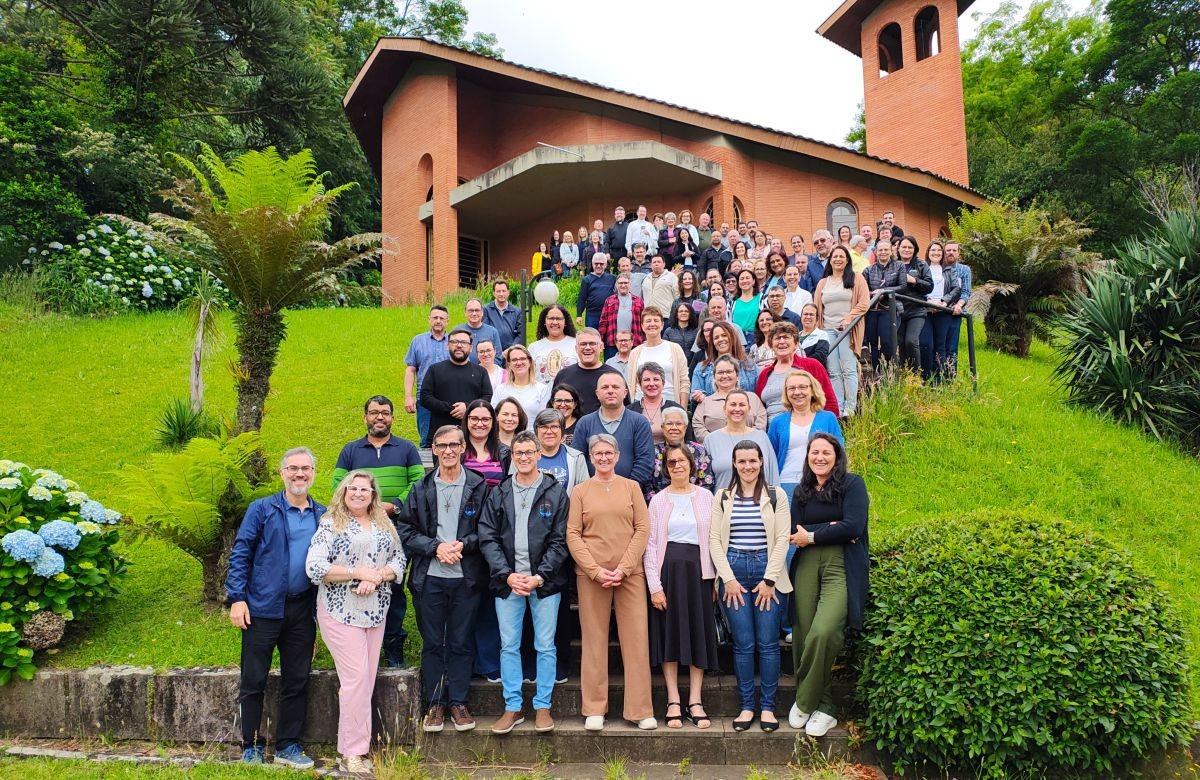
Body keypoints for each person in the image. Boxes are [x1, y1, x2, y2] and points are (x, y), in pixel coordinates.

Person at [226, 447, 323, 768]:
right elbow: (241, 553)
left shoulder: (322, 516)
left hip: (302, 610)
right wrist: (237, 597)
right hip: (261, 609)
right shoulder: (262, 509)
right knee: (253, 679)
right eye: (293, 468)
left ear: (313, 473)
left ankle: (288, 745)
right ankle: (250, 746)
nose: (299, 474)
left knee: (297, 679)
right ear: (282, 473)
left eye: (305, 469)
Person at [306, 470, 405, 774]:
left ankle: (356, 748)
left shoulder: (383, 523)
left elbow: (398, 560)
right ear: (344, 491)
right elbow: (315, 567)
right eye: (354, 488)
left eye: (366, 489)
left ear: (374, 494)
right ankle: (352, 752)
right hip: (340, 611)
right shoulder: (330, 523)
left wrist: (376, 577)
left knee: (367, 678)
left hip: (375, 610)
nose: (359, 493)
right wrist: (358, 572)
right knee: (356, 679)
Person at [397, 425, 490, 734]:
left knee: (462, 641)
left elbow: (489, 529)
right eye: (442, 445)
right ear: (434, 450)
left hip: (466, 578)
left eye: (454, 445)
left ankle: (459, 702)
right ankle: (436, 702)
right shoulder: (420, 489)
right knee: (433, 642)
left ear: (464, 448)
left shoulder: (478, 486)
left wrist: (464, 545)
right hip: (430, 579)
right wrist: (436, 548)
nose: (448, 451)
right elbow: (406, 530)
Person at [478, 431, 570, 735]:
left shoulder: (555, 492)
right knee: (509, 646)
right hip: (508, 583)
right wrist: (507, 574)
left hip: (544, 582)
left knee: (545, 646)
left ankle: (542, 706)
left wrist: (539, 575)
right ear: (512, 457)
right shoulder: (500, 492)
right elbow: (487, 536)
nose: (525, 458)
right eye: (519, 453)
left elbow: (560, 540)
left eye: (530, 452)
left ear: (539, 455)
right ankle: (513, 706)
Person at [566, 433, 656, 731]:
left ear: (617, 456)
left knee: (636, 639)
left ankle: (640, 709)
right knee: (593, 639)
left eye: (608, 453)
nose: (603, 458)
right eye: (598, 454)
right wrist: (594, 569)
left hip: (629, 575)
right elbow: (573, 534)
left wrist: (625, 566)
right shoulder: (580, 491)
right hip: (592, 576)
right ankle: (594, 707)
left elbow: (642, 529)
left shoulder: (632, 488)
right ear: (590, 458)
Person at [787, 434, 870, 738]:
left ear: (837, 456)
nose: (820, 457)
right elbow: (792, 530)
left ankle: (805, 699)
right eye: (814, 452)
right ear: (807, 456)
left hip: (841, 563)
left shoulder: (852, 484)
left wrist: (812, 535)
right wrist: (833, 528)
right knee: (803, 633)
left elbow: (854, 526)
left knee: (825, 631)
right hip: (807, 563)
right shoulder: (801, 491)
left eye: (826, 452)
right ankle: (824, 707)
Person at [331, 397, 423, 669]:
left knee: (391, 584)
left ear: (393, 418)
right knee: (360, 583)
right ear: (365, 417)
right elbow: (339, 486)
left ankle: (394, 648)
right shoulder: (350, 451)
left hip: (395, 527)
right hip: (357, 530)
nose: (379, 417)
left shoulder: (406, 449)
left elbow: (418, 482)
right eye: (374, 413)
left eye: (385, 413)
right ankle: (359, 643)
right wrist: (366, 507)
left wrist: (394, 505)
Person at [709, 440, 791, 732]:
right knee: (743, 644)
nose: (747, 466)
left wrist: (770, 580)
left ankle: (767, 708)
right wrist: (728, 578)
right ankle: (746, 706)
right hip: (734, 572)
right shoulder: (722, 497)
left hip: (767, 571)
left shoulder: (775, 495)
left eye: (752, 461)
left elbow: (782, 538)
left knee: (768, 644)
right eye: (741, 461)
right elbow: (714, 541)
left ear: (761, 462)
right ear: (734, 464)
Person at [645, 443, 717, 730]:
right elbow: (650, 545)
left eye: (682, 461)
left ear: (692, 465)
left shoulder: (707, 497)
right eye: (671, 462)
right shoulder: (658, 500)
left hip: (699, 573)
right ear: (666, 468)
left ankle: (696, 700)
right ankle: (673, 699)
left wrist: (715, 578)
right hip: (668, 573)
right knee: (669, 636)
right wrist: (654, 586)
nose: (677, 465)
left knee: (698, 633)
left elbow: (715, 539)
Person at [768, 371, 844, 500]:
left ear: (812, 390)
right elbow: (771, 457)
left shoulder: (828, 418)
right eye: (791, 388)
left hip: (821, 483)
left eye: (802, 387)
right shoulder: (777, 422)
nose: (797, 392)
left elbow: (839, 452)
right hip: (786, 483)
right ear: (786, 393)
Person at [815, 245, 869, 417]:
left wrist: (848, 318)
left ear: (847, 260)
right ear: (830, 260)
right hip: (828, 330)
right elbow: (817, 308)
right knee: (833, 371)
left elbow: (864, 303)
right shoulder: (823, 282)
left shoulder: (856, 278)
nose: (838, 259)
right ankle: (838, 407)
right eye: (835, 256)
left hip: (848, 330)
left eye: (841, 256)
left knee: (849, 368)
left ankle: (851, 409)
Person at [572, 372, 654, 484]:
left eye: (615, 387)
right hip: (592, 494)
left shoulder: (639, 422)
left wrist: (627, 489)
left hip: (630, 494)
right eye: (605, 387)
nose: (610, 391)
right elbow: (578, 461)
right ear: (597, 393)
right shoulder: (585, 423)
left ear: (625, 393)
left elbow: (645, 461)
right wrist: (591, 490)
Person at [420, 327, 494, 437]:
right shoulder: (435, 369)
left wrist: (467, 408)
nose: (459, 345)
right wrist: (451, 409)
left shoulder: (480, 371)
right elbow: (425, 397)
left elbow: (487, 396)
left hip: (473, 434)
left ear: (470, 347)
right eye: (454, 342)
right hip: (441, 433)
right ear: (447, 345)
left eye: (463, 342)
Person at [756, 322, 840, 418]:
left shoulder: (811, 365)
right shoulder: (765, 374)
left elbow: (830, 402)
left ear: (796, 343)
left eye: (786, 337)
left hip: (808, 427)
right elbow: (759, 409)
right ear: (771, 345)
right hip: (772, 430)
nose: (782, 341)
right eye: (777, 338)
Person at [704, 389, 780, 487]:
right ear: (724, 409)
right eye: (733, 404)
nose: (737, 409)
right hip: (725, 500)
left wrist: (775, 500)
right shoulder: (710, 440)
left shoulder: (762, 437)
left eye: (742, 405)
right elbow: (706, 480)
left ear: (749, 409)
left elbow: (772, 474)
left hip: (760, 500)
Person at [691, 355, 767, 442]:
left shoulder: (753, 398)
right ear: (714, 377)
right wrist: (719, 443)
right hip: (715, 450)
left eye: (729, 371)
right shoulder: (705, 402)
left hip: (749, 450)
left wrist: (744, 444)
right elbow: (698, 425)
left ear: (737, 376)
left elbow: (761, 424)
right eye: (720, 372)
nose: (724, 375)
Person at [404, 305, 450, 446]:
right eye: (435, 317)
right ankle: (427, 469)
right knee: (426, 441)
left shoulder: (454, 342)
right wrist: (408, 397)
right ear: (429, 320)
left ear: (447, 321)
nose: (438, 321)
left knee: (451, 440)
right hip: (425, 401)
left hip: (449, 400)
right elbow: (410, 370)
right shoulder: (418, 341)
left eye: (442, 318)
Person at [647, 406, 714, 500]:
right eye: (669, 423)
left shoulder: (699, 450)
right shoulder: (652, 451)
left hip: (694, 504)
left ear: (685, 427)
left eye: (679, 423)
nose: (674, 427)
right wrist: (659, 504)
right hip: (661, 505)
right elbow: (647, 485)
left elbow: (707, 482)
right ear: (662, 427)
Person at [551, 328, 621, 418]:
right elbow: (553, 409)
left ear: (601, 347)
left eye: (592, 344)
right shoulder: (563, 375)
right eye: (583, 344)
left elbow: (624, 409)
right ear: (576, 348)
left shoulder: (614, 376)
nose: (587, 348)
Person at [628, 307, 690, 404]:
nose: (652, 324)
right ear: (642, 326)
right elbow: (631, 383)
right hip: (640, 405)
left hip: (670, 405)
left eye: (656, 320)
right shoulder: (634, 353)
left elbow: (684, 382)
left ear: (662, 325)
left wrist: (683, 408)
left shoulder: (675, 349)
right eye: (648, 321)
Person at [862, 238, 905, 370]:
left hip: (890, 309)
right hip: (873, 310)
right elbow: (863, 290)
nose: (883, 252)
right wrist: (873, 294)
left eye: (886, 249)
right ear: (875, 252)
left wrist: (884, 291)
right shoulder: (869, 270)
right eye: (880, 250)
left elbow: (903, 286)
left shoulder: (899, 266)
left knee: (887, 342)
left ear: (891, 250)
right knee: (872, 342)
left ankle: (889, 369)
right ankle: (876, 372)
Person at [690, 320, 757, 399]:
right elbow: (694, 396)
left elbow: (757, 396)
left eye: (724, 335)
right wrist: (698, 396)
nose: (720, 339)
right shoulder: (701, 368)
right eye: (716, 337)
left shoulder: (749, 365)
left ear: (732, 337)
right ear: (712, 342)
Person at [896, 236, 934, 371]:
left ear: (915, 249)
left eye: (910, 247)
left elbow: (929, 286)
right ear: (898, 248)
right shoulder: (893, 264)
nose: (906, 250)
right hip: (898, 309)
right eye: (904, 247)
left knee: (911, 341)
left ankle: (916, 377)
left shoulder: (921, 264)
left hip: (916, 310)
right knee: (900, 344)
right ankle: (904, 375)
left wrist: (914, 280)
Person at [628, 362, 686, 445]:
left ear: (663, 383)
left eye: (656, 379)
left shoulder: (676, 408)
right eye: (646, 380)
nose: (651, 384)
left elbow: (687, 440)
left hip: (669, 456)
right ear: (640, 384)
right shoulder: (629, 410)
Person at [491, 344, 547, 428]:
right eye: (514, 360)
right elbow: (494, 417)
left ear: (530, 361)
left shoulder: (542, 389)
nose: (519, 363)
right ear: (509, 364)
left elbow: (544, 420)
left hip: (532, 438)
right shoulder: (500, 389)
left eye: (522, 359)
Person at [919, 239, 952, 381]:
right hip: (926, 310)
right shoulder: (922, 268)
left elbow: (956, 289)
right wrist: (927, 302)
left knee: (940, 345)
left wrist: (944, 302)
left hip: (943, 311)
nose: (936, 253)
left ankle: (940, 378)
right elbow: (918, 287)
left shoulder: (949, 270)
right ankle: (926, 376)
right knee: (926, 344)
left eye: (939, 250)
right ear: (928, 252)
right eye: (933, 250)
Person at [462, 400, 510, 488]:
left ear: (493, 422)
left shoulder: (505, 453)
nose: (480, 424)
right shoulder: (456, 450)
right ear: (466, 420)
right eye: (474, 419)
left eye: (485, 419)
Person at [942, 240, 972, 379]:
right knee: (938, 346)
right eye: (948, 250)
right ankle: (937, 376)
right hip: (937, 311)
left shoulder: (964, 270)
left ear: (958, 253)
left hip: (954, 312)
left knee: (951, 348)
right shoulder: (937, 267)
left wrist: (959, 305)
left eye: (954, 250)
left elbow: (966, 292)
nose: (951, 253)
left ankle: (950, 379)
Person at [529, 305, 577, 383]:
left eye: (558, 319)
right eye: (551, 318)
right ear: (544, 321)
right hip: (542, 395)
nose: (555, 322)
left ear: (565, 322)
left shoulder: (576, 344)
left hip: (570, 394)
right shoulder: (534, 347)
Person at [599, 273, 645, 356]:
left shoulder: (638, 301)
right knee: (611, 367)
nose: (623, 285)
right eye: (620, 283)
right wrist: (600, 339)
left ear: (630, 284)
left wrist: (645, 338)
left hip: (634, 342)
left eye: (625, 283)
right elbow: (603, 321)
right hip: (613, 341)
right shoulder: (609, 300)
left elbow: (643, 322)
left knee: (634, 367)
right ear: (616, 285)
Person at [576, 253, 616, 330]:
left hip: (609, 313)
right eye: (596, 263)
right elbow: (582, 298)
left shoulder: (612, 279)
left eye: (601, 264)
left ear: (605, 264)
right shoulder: (586, 280)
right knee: (592, 337)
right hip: (592, 314)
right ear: (592, 263)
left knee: (608, 338)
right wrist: (579, 315)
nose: (598, 266)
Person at [484, 279, 523, 350]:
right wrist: (494, 351)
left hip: (511, 353)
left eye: (504, 291)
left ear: (508, 292)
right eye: (498, 291)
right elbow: (485, 332)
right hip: (492, 353)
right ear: (494, 293)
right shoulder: (486, 310)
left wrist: (510, 350)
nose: (501, 294)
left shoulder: (517, 311)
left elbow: (520, 335)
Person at [463, 298, 502, 364]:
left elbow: (498, 357)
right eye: (470, 311)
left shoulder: (492, 332)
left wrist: (483, 369)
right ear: (465, 313)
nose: (474, 314)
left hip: (487, 372)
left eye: (477, 310)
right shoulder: (458, 331)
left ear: (482, 312)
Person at [731, 269, 761, 344]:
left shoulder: (762, 298)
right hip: (737, 339)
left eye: (747, 278)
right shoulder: (732, 302)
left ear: (754, 281)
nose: (744, 281)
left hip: (758, 338)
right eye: (741, 279)